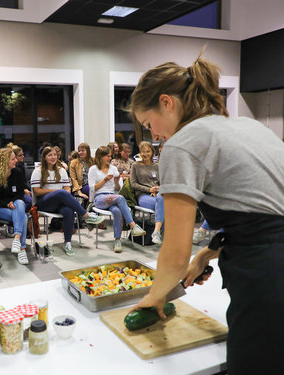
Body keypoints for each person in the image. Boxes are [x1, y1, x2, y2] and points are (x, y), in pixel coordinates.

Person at [128, 56, 284, 375]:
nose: (153, 135)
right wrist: (210, 251)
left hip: (268, 276)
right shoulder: (247, 126)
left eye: (148, 124)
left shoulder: (181, 145)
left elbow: (174, 251)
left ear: (167, 102)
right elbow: (264, 210)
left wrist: (153, 299)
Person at [30, 146, 104, 256]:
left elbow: (67, 189)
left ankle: (67, 242)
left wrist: (63, 194)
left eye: (54, 155)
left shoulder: (61, 171)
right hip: (44, 203)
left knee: (68, 210)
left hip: (59, 202)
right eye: (50, 155)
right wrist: (55, 191)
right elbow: (36, 191)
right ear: (44, 157)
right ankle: (85, 215)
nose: (53, 157)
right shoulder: (38, 171)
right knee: (61, 192)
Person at [89, 146, 146, 252]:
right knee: (120, 198)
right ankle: (132, 225)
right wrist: (105, 180)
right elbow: (92, 188)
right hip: (100, 198)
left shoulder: (113, 169)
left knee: (117, 210)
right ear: (100, 157)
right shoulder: (93, 169)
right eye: (108, 156)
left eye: (110, 156)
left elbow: (118, 189)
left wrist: (116, 182)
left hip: (114, 197)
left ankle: (117, 240)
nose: (110, 158)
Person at [0, 147, 29, 265]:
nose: (16, 161)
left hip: (16, 204)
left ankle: (17, 240)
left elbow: (20, 194)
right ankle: (21, 248)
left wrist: (13, 202)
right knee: (23, 217)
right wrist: (7, 204)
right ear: (4, 161)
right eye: (13, 159)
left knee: (21, 204)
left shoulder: (17, 172)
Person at [130, 141, 164, 245]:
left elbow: (163, 182)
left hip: (158, 195)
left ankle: (157, 232)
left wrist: (157, 189)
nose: (145, 154)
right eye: (143, 152)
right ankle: (162, 233)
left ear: (152, 152)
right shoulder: (135, 165)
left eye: (148, 151)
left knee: (162, 200)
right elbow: (133, 184)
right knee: (164, 205)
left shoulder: (157, 166)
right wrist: (149, 190)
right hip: (143, 196)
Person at [11, 145, 32, 211]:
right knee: (29, 201)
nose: (23, 156)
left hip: (22, 188)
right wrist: (24, 190)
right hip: (15, 191)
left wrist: (27, 190)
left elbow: (23, 182)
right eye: (20, 155)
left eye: (23, 154)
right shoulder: (11, 168)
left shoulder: (21, 166)